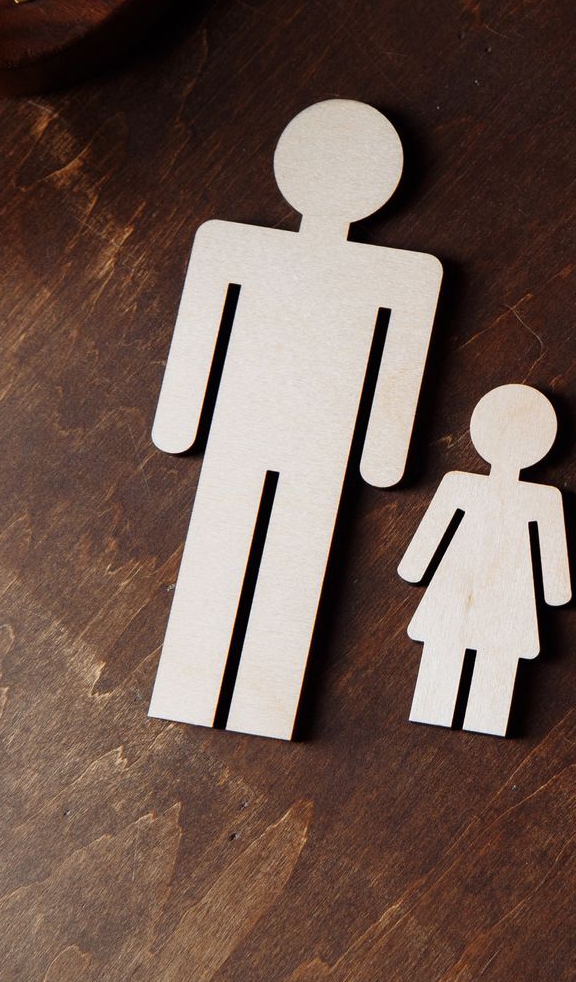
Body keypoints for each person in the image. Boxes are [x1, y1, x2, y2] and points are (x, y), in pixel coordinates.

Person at [148, 100, 443, 739]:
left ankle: (254, 699)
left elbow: (401, 367)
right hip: (278, 433)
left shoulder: (399, 274)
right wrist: (179, 419)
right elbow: (203, 334)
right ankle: (206, 687)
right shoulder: (240, 247)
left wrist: (180, 421)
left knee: (281, 563)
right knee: (242, 556)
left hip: (304, 439)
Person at [397, 384, 570, 737]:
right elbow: (555, 585)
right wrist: (553, 592)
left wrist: (416, 567)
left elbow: (416, 560)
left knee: (469, 658)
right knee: (480, 658)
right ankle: (465, 714)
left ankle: (466, 714)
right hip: (496, 598)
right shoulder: (537, 498)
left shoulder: (470, 487)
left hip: (476, 594)